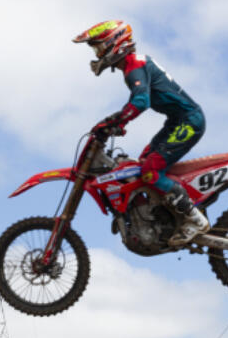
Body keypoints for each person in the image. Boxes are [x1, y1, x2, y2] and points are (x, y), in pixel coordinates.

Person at [74, 20, 209, 245]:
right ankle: (157, 216)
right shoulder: (133, 65)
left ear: (113, 44)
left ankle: (194, 219)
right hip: (177, 121)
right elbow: (136, 103)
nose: (97, 54)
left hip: (188, 122)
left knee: (149, 171)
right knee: (142, 165)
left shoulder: (133, 67)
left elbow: (140, 102)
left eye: (99, 47)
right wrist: (117, 122)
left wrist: (115, 121)